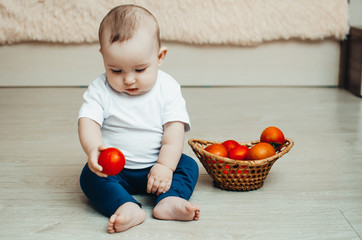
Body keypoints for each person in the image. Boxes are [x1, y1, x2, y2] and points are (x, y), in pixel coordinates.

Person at [78, 4, 200, 233]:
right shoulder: (100, 89)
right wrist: (93, 148)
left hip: (158, 166)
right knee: (89, 176)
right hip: (116, 171)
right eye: (116, 70)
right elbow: (88, 120)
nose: (129, 80)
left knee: (187, 166)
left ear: (159, 57)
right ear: (103, 58)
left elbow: (174, 132)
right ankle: (125, 206)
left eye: (140, 69)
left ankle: (169, 200)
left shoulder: (167, 88)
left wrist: (165, 165)